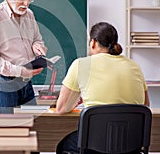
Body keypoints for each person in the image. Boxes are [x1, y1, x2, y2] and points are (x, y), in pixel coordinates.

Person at [55, 22, 150, 154]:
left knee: (63, 146)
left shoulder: (81, 64)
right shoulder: (134, 66)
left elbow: (61, 108)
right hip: (131, 145)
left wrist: (75, 102)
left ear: (93, 42)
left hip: (94, 146)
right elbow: (145, 105)